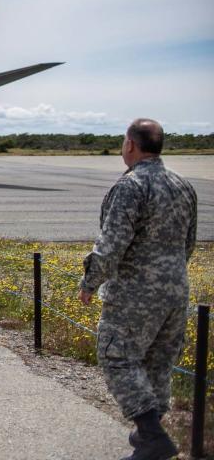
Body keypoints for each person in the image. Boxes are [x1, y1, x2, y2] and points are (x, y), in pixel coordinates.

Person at [78, 119, 197, 460]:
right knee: (157, 364)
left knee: (117, 356)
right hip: (176, 290)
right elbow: (188, 242)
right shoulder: (182, 184)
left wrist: (90, 282)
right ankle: (150, 441)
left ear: (130, 144)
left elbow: (112, 244)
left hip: (135, 293)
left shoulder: (132, 186)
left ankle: (151, 435)